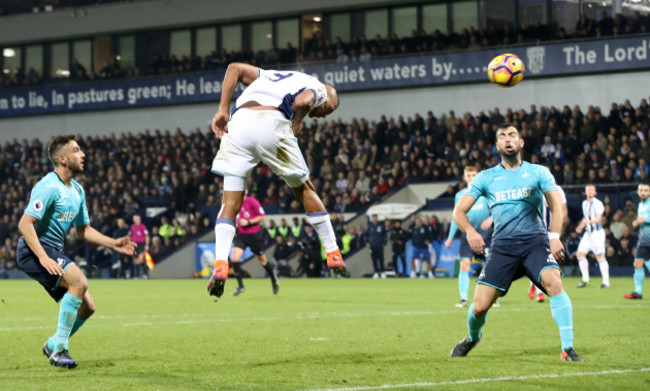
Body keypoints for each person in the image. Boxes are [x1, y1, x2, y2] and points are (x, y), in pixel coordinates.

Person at [206, 62, 347, 298]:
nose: (323, 116)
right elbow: (303, 101)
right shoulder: (319, 87)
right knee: (305, 190)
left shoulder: (269, 76)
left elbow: (234, 69)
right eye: (329, 110)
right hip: (269, 121)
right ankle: (333, 252)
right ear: (330, 98)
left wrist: (222, 109)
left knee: (229, 203)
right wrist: (298, 120)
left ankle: (220, 263)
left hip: (237, 125)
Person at [450, 123, 583, 361]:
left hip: (535, 243)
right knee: (479, 306)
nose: (507, 139)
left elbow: (555, 204)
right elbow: (458, 212)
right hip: (502, 247)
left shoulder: (538, 172)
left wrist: (554, 236)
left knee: (554, 283)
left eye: (512, 135)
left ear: (521, 143)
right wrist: (470, 231)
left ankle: (568, 348)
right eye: (502, 136)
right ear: (497, 146)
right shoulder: (485, 177)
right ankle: (472, 338)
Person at [16, 135, 136, 368]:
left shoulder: (77, 190)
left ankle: (52, 343)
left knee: (88, 306)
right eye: (77, 150)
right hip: (34, 249)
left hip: (52, 250)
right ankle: (59, 350)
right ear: (62, 159)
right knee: (79, 282)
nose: (83, 155)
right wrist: (42, 257)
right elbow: (24, 224)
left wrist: (113, 243)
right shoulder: (48, 186)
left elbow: (83, 230)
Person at [445, 166, 492, 308]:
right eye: (468, 175)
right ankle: (464, 299)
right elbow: (456, 217)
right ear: (464, 177)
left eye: (473, 175)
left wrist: (491, 219)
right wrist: (450, 237)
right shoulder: (460, 195)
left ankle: (491, 298)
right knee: (464, 265)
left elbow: (497, 209)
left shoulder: (485, 193)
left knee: (488, 266)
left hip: (485, 235)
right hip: (467, 235)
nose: (471, 177)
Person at [229, 191, 279, 296]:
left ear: (246, 191)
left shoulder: (252, 201)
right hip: (241, 236)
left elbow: (262, 216)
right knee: (234, 259)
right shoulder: (234, 202)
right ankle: (241, 286)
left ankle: (274, 279)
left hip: (254, 236)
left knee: (263, 262)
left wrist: (248, 222)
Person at [529, 176, 568, 303]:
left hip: (551, 230)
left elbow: (561, 209)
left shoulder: (557, 190)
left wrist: (557, 226)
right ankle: (539, 290)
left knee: (545, 259)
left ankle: (536, 286)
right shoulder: (533, 189)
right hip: (536, 230)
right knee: (537, 259)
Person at [575, 184, 610, 289]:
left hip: (597, 233)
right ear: (585, 192)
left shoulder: (598, 204)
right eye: (588, 190)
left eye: (591, 190)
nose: (589, 191)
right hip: (588, 233)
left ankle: (606, 281)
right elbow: (585, 218)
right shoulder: (584, 203)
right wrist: (580, 226)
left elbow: (598, 219)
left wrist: (586, 222)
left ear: (595, 192)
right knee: (580, 254)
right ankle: (585, 279)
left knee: (600, 256)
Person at [624, 182, 650, 299]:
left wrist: (645, 219)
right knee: (638, 263)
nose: (643, 192)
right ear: (638, 192)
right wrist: (637, 222)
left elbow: (645, 219)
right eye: (641, 190)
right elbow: (642, 221)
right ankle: (638, 292)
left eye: (646, 190)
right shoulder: (640, 205)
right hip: (644, 238)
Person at [365, 214, 388, 278]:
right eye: (373, 218)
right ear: (372, 219)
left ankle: (383, 272)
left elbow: (385, 235)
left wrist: (384, 243)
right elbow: (366, 235)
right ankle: (376, 272)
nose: (375, 219)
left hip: (380, 245)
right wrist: (367, 242)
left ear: (377, 218)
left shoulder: (381, 226)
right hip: (372, 246)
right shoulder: (369, 226)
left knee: (381, 259)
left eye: (376, 218)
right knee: (374, 260)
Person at [129, 214, 150, 279]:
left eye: (138, 219)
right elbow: (129, 236)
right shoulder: (132, 227)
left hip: (142, 244)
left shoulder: (143, 226)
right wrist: (130, 244)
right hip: (135, 245)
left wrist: (147, 245)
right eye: (136, 219)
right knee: (135, 260)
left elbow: (147, 236)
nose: (137, 220)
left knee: (142, 259)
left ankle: (145, 274)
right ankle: (136, 275)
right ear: (134, 220)